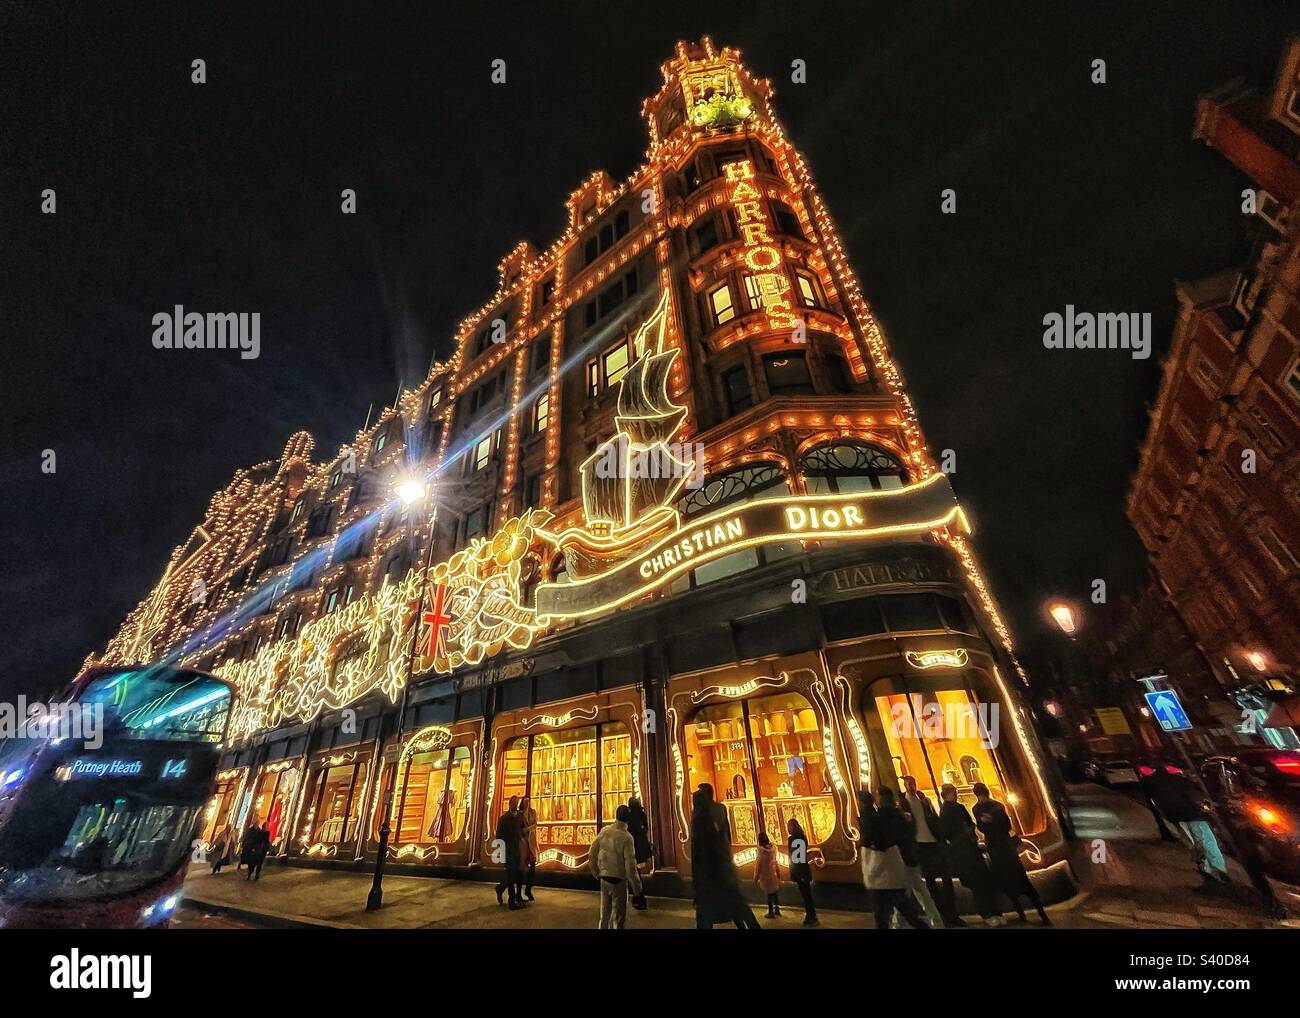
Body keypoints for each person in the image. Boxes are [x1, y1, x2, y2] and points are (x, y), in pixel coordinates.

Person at [971, 782, 1049, 924]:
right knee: (1022, 880)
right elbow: (1007, 826)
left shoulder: (976, 809)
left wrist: (987, 823)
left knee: (1007, 883)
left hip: (995, 848)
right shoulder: (998, 806)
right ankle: (1042, 915)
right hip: (1005, 846)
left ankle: (1022, 915)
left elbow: (981, 828)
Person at [1145, 760, 1229, 886]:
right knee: (1207, 841)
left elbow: (1157, 800)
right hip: (1194, 815)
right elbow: (1195, 795)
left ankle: (1207, 871)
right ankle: (1218, 870)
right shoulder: (1181, 779)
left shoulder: (1154, 782)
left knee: (1195, 843)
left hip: (1178, 817)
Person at [689, 788, 760, 929]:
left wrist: (698, 880)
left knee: (706, 911)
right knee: (737, 904)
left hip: (709, 875)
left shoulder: (699, 820)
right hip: (724, 868)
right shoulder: (719, 811)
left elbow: (699, 851)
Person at [860, 787, 929, 930]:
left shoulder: (876, 820)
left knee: (885, 913)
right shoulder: (899, 815)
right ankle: (922, 923)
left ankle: (919, 924)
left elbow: (877, 843)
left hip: (884, 872)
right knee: (906, 904)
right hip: (899, 865)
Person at [938, 783, 1002, 925]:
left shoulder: (957, 808)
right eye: (951, 791)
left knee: (983, 881)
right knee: (978, 884)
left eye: (954, 791)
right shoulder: (947, 811)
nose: (954, 793)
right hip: (964, 852)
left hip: (969, 849)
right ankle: (987, 913)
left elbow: (969, 824)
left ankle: (993, 911)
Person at [902, 775, 963, 926]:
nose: (911, 786)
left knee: (946, 878)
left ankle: (952, 914)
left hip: (933, 842)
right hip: (920, 846)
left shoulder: (924, 800)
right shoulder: (903, 803)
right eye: (908, 784)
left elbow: (934, 819)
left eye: (913, 783)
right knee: (930, 883)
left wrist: (940, 837)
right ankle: (942, 915)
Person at [588, 804, 643, 929]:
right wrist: (637, 889)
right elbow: (631, 867)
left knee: (604, 915)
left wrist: (596, 872)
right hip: (619, 880)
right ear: (628, 819)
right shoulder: (627, 837)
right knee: (619, 917)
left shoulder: (605, 831)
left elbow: (592, 853)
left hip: (604, 878)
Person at [494, 795, 524, 910]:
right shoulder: (504, 818)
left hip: (517, 849)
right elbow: (499, 835)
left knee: (514, 875)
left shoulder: (519, 816)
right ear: (510, 804)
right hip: (507, 850)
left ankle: (500, 888)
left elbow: (521, 830)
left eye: (516, 803)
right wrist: (500, 851)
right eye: (513, 803)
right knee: (511, 875)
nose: (515, 805)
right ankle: (511, 902)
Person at [787, 817, 818, 926]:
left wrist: (794, 873)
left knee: (805, 895)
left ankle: (811, 917)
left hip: (799, 871)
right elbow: (802, 855)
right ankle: (811, 916)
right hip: (804, 869)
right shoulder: (803, 837)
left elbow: (794, 857)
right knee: (807, 895)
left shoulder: (792, 840)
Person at [626, 796, 653, 910]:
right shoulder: (642, 814)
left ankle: (639, 897)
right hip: (642, 848)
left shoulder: (630, 816)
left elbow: (629, 831)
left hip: (633, 848)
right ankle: (639, 897)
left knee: (634, 874)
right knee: (636, 873)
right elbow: (645, 828)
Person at [517, 794, 538, 902]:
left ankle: (528, 890)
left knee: (532, 868)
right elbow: (520, 830)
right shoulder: (520, 814)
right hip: (523, 844)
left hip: (532, 843)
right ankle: (518, 892)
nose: (527, 803)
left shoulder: (533, 812)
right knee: (521, 869)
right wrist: (529, 828)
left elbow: (536, 824)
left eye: (528, 801)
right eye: (525, 802)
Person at [755, 832, 782, 918]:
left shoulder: (761, 851)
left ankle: (771, 912)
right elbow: (775, 861)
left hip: (765, 875)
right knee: (774, 892)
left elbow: (758, 865)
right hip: (773, 873)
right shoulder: (773, 849)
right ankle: (777, 909)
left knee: (768, 893)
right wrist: (778, 872)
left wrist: (756, 877)